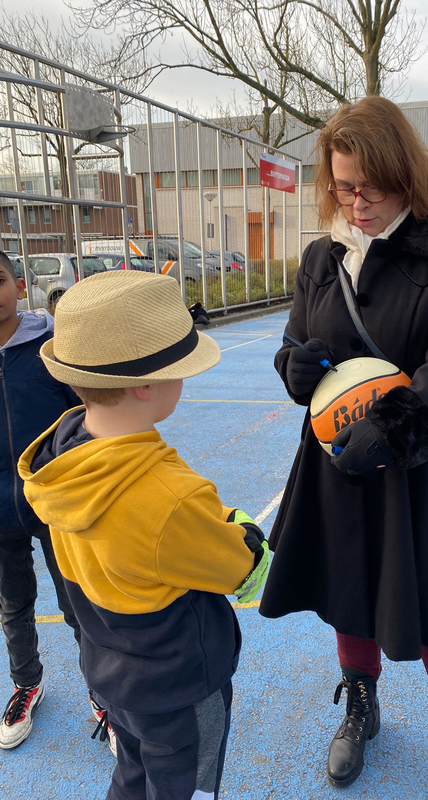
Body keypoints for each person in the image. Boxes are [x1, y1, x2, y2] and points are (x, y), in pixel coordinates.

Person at [259, 97, 428, 800]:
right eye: (344, 185)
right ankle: (361, 703)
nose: (357, 201)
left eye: (370, 186)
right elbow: (294, 344)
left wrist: (400, 422)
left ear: (404, 173)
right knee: (346, 598)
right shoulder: (322, 256)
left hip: (421, 463)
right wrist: (296, 368)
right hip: (337, 466)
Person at [18, 269, 269, 800]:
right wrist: (245, 530)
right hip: (177, 678)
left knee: (133, 771)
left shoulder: (59, 454)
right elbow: (238, 569)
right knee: (186, 783)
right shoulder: (167, 493)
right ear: (145, 383)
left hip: (110, 666)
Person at [0, 250, 109, 751]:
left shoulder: (50, 347)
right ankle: (26, 685)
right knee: (14, 604)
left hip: (55, 505)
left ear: (19, 286)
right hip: (0, 516)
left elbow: (86, 418)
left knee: (79, 605)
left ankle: (104, 696)